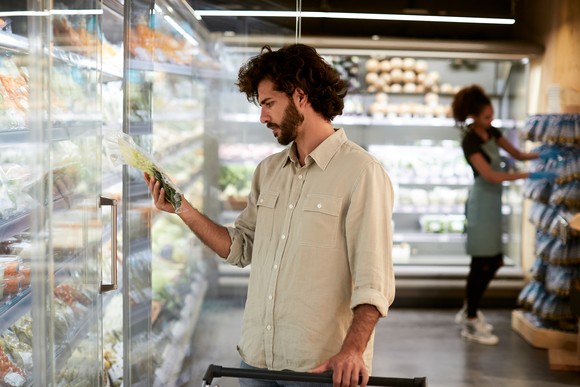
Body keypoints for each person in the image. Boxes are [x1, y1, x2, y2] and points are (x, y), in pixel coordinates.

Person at [145, 44, 395, 387]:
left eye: (268, 104)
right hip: (256, 360)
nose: (263, 117)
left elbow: (374, 279)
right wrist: (181, 208)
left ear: (301, 96)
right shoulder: (269, 171)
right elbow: (240, 248)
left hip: (320, 369)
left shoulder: (362, 172)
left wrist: (353, 350)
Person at [451, 84, 557, 345]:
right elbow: (491, 175)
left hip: (493, 203)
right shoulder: (470, 140)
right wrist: (529, 175)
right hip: (481, 201)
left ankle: (469, 310)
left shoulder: (491, 132)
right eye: (486, 117)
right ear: (474, 115)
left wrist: (546, 153)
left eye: (492, 115)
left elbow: (518, 153)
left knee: (495, 260)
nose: (490, 120)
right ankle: (472, 319)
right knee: (481, 262)